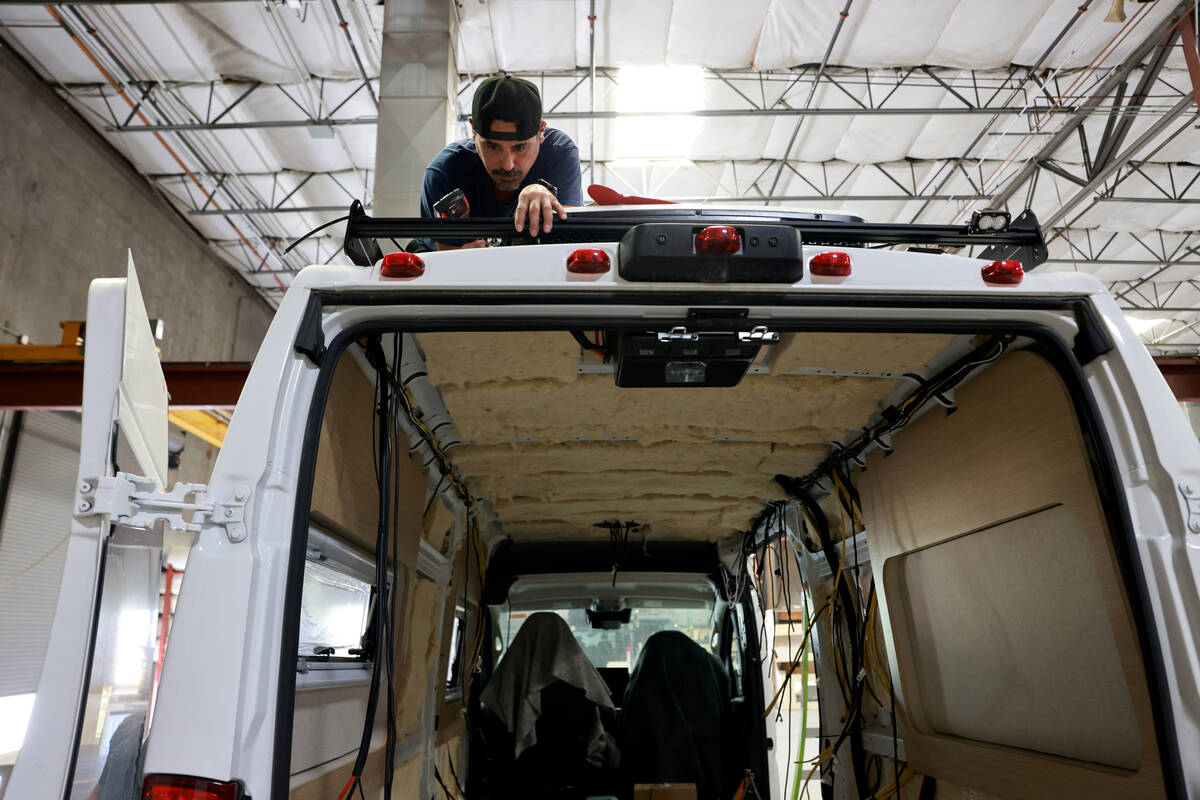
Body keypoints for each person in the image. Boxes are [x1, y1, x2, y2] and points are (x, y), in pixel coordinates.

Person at [419, 76, 583, 249]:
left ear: (541, 132)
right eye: (492, 146)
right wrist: (463, 257)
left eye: (520, 148)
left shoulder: (558, 154)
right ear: (473, 131)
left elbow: (565, 245)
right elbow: (448, 262)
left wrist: (541, 191)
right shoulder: (445, 171)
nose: (508, 165)